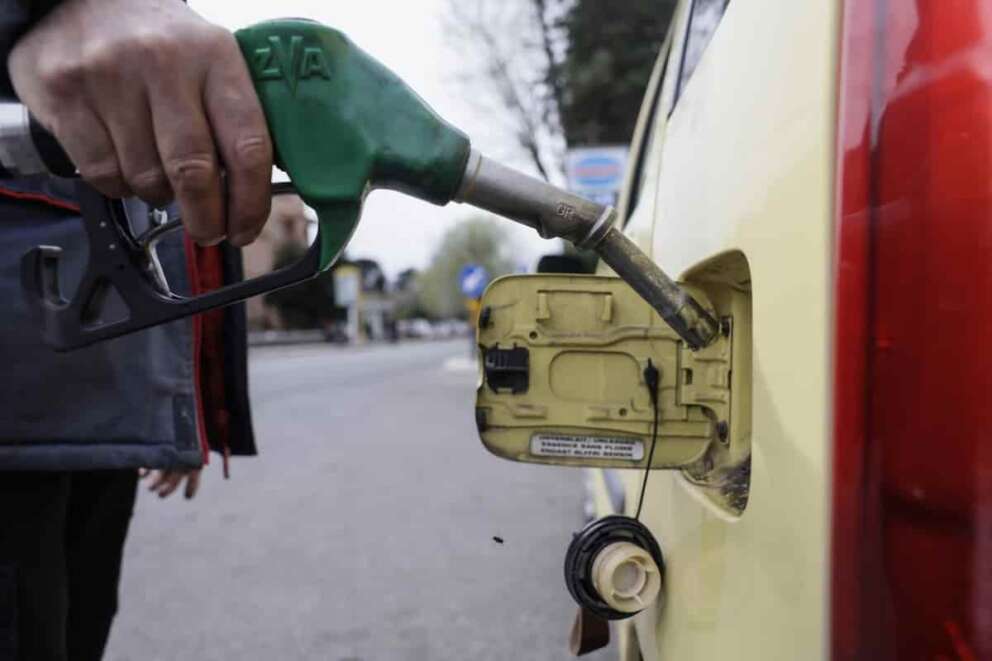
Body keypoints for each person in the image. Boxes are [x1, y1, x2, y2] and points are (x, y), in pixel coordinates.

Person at [0, 0, 271, 659]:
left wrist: (180, 411)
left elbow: (184, 232)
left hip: (108, 381)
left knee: (80, 621)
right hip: (17, 378)